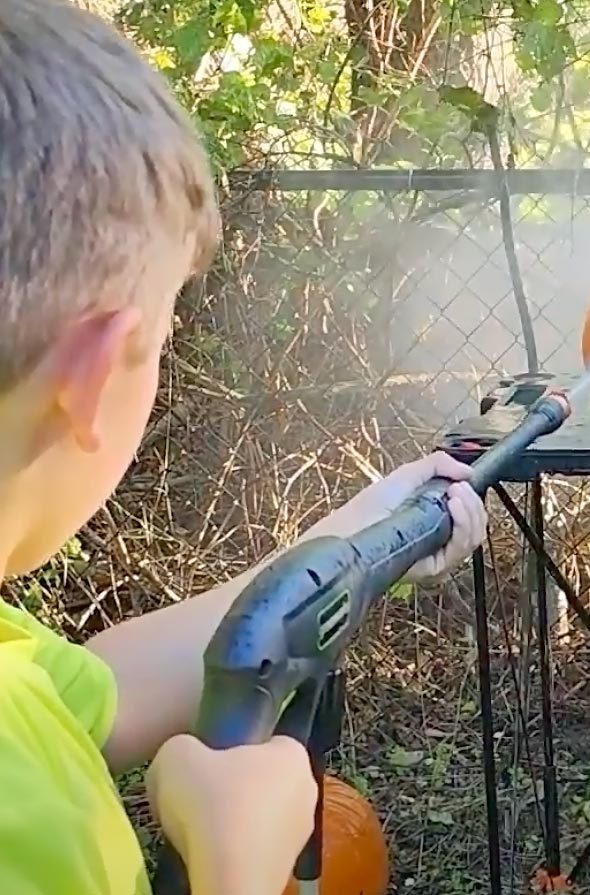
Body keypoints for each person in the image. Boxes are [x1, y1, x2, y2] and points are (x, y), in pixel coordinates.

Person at [0, 2, 489, 893]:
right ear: (94, 375)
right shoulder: (21, 808)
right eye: (161, 341)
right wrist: (238, 865)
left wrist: (358, 530)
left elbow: (99, 690)